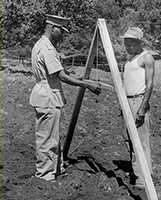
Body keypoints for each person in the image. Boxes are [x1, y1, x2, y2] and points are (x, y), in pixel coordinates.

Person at [29, 14, 101, 181]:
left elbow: (55, 72)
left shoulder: (41, 45)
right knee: (46, 138)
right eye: (61, 30)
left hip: (45, 93)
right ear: (52, 28)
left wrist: (70, 74)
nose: (62, 33)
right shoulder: (46, 49)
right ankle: (45, 175)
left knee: (52, 135)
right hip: (47, 96)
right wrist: (87, 84)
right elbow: (60, 76)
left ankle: (55, 168)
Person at [122, 27, 155, 188]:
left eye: (130, 44)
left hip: (138, 101)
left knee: (141, 142)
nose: (127, 47)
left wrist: (142, 107)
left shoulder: (146, 58)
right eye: (125, 44)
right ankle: (138, 173)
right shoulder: (130, 60)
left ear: (138, 43)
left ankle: (144, 181)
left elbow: (150, 83)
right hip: (127, 102)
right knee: (130, 140)